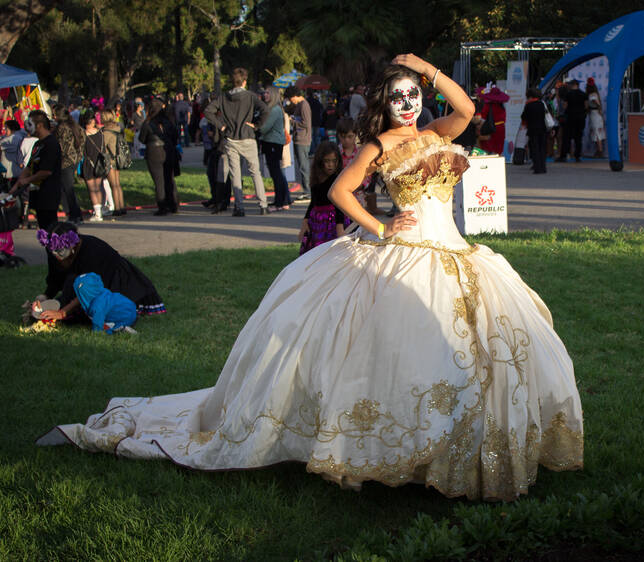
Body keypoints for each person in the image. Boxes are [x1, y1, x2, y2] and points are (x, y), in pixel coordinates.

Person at [37, 55, 583, 502]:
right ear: (385, 105)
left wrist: (422, 66)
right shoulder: (379, 146)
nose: (408, 104)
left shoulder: (442, 130)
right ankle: (395, 454)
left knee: (478, 351)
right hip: (407, 250)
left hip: (458, 253)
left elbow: (465, 106)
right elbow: (341, 192)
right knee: (403, 357)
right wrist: (383, 225)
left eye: (413, 94)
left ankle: (457, 451)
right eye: (399, 97)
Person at [33, 221, 165, 322]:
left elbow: (91, 289)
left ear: (73, 245)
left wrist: (63, 312)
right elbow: (55, 278)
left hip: (111, 284)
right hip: (80, 285)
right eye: (52, 251)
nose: (56, 255)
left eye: (60, 251)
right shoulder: (53, 250)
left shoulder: (93, 251)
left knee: (94, 313)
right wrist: (44, 298)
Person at [205, 68, 270, 217]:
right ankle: (263, 204)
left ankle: (239, 207)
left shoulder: (223, 97)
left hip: (230, 138)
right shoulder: (251, 96)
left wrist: (221, 125)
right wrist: (257, 125)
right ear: (244, 81)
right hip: (247, 136)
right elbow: (265, 110)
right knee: (255, 172)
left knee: (235, 173)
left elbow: (208, 111)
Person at [10, 110, 62, 231]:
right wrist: (17, 184)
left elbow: (46, 171)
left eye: (30, 123)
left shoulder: (51, 144)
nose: (27, 128)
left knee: (51, 231)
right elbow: (29, 167)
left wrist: (27, 180)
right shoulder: (38, 144)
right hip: (38, 195)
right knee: (44, 229)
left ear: (39, 125)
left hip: (49, 194)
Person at [298, 141, 350, 254]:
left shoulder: (337, 179)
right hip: (317, 220)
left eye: (333, 161)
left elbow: (339, 204)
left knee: (331, 252)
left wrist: (339, 227)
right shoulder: (316, 178)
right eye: (327, 161)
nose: (330, 164)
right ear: (320, 161)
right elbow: (313, 201)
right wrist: (305, 221)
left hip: (333, 220)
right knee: (316, 252)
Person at [139, 99, 179, 216]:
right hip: (168, 150)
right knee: (169, 178)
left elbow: (142, 138)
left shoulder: (148, 123)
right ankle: (173, 203)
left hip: (154, 151)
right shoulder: (168, 121)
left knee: (159, 181)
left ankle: (162, 206)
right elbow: (175, 136)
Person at [71, 272, 138, 334]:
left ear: (86, 294)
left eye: (79, 294)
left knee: (105, 325)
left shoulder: (97, 306)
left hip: (126, 316)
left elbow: (97, 326)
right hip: (130, 308)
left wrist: (97, 332)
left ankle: (121, 328)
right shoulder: (101, 293)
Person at [258, 86, 291, 212]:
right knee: (275, 172)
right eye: (265, 92)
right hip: (270, 142)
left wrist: (255, 127)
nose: (265, 95)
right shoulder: (272, 109)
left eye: (267, 93)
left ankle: (280, 202)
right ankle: (282, 200)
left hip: (273, 143)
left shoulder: (275, 110)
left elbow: (264, 127)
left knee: (276, 172)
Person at [51, 106, 85, 224]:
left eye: (54, 114)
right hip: (73, 160)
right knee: (68, 189)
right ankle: (77, 214)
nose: (53, 117)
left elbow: (59, 146)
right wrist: (78, 156)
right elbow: (82, 142)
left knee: (68, 189)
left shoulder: (61, 128)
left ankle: (74, 215)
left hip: (64, 162)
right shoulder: (75, 126)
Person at [79, 110, 109, 222]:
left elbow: (82, 150)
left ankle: (97, 213)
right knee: (99, 187)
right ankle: (100, 209)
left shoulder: (83, 135)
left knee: (92, 189)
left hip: (88, 163)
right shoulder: (100, 133)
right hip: (99, 162)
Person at [284, 86, 312, 202]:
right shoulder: (299, 105)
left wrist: (293, 121)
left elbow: (306, 123)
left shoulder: (304, 105)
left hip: (302, 139)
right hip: (299, 138)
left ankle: (307, 191)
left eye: (291, 98)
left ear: (295, 96)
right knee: (302, 165)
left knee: (303, 166)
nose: (291, 101)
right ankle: (307, 190)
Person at [100, 109, 127, 216]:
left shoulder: (106, 132)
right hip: (118, 158)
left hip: (110, 159)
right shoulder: (118, 128)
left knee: (113, 185)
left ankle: (117, 208)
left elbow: (102, 146)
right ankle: (121, 205)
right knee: (118, 184)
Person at [556, 79, 587, 162]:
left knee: (566, 138)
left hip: (570, 118)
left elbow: (565, 106)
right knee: (578, 138)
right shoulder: (583, 94)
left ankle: (563, 156)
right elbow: (586, 106)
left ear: (572, 85)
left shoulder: (568, 95)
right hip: (580, 119)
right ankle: (577, 156)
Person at [521, 87, 548, 174]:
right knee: (542, 149)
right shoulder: (541, 104)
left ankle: (537, 168)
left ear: (530, 96)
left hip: (532, 129)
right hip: (542, 128)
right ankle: (543, 167)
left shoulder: (528, 105)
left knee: (534, 149)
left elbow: (524, 117)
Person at [478, 86, 509, 155]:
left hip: (491, 128)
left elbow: (483, 118)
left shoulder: (488, 105)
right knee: (499, 147)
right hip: (501, 128)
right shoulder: (502, 106)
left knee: (489, 147)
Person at [585, 78, 605, 158]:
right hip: (596, 114)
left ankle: (600, 151)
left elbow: (596, 103)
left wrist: (598, 108)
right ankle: (599, 150)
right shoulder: (596, 94)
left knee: (597, 133)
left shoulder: (592, 95)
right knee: (597, 132)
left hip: (595, 114)